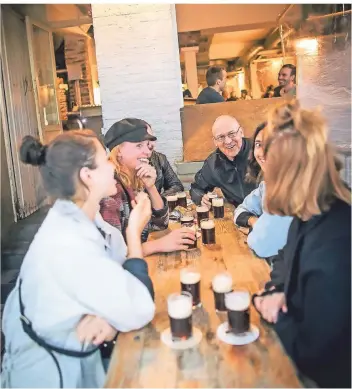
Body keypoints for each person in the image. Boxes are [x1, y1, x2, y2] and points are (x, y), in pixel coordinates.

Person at [1, 130, 155, 388]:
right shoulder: (67, 240)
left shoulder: (82, 217)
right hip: (48, 375)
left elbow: (114, 271)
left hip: (74, 357)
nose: (111, 165)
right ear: (87, 176)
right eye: (105, 160)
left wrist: (106, 319)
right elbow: (139, 307)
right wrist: (134, 234)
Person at [253, 100, 351, 388]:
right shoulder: (311, 211)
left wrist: (271, 310)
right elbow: (287, 258)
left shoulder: (336, 249)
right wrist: (278, 290)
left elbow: (317, 357)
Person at [100, 118, 196, 255]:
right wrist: (158, 245)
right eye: (139, 146)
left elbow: (159, 225)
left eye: (147, 146)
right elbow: (110, 254)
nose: (147, 152)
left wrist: (151, 187)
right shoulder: (110, 188)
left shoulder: (134, 178)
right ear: (119, 150)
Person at [234, 122, 293, 258]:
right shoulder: (266, 186)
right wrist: (254, 221)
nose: (262, 152)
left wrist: (255, 232)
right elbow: (240, 210)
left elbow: (263, 244)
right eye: (258, 144)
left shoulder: (290, 187)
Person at [190, 115, 257, 207]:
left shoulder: (258, 151)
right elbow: (196, 188)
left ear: (241, 132)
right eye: (221, 137)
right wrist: (201, 198)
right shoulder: (213, 163)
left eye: (232, 134)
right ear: (215, 142)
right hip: (240, 215)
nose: (228, 141)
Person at [144, 122, 184, 196]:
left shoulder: (159, 158)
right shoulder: (122, 166)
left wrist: (159, 199)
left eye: (151, 138)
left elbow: (177, 186)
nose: (151, 144)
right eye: (145, 139)